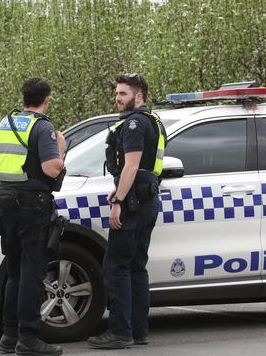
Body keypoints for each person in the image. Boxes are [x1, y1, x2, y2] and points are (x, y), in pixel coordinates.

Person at [0, 77, 66, 356]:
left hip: (6, 207)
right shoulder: (43, 127)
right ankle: (28, 337)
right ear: (47, 99)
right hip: (33, 209)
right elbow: (52, 168)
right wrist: (61, 150)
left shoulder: (4, 123)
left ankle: (9, 335)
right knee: (32, 272)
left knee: (15, 271)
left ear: (23, 98)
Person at [87, 73, 166, 349]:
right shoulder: (154, 121)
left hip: (133, 203)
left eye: (123, 93)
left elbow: (131, 166)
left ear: (138, 96)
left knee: (117, 265)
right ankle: (138, 331)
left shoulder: (133, 123)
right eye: (117, 93)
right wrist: (121, 190)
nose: (117, 98)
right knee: (136, 266)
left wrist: (119, 201)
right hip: (146, 199)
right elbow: (144, 168)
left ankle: (120, 331)